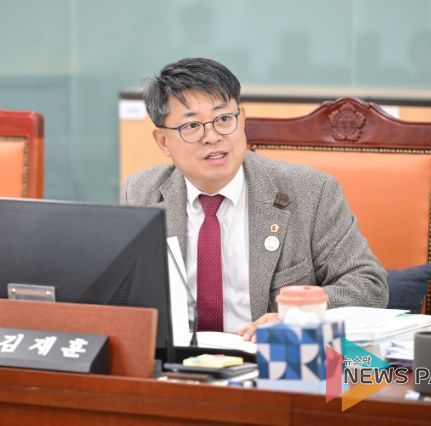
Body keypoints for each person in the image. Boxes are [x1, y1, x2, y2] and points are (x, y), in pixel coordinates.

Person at [121, 58, 388, 341]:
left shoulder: (311, 192)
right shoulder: (142, 192)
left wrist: (296, 316)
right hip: (177, 359)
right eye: (192, 126)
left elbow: (368, 284)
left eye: (224, 119)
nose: (212, 136)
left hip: (272, 356)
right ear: (163, 141)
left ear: (242, 120)